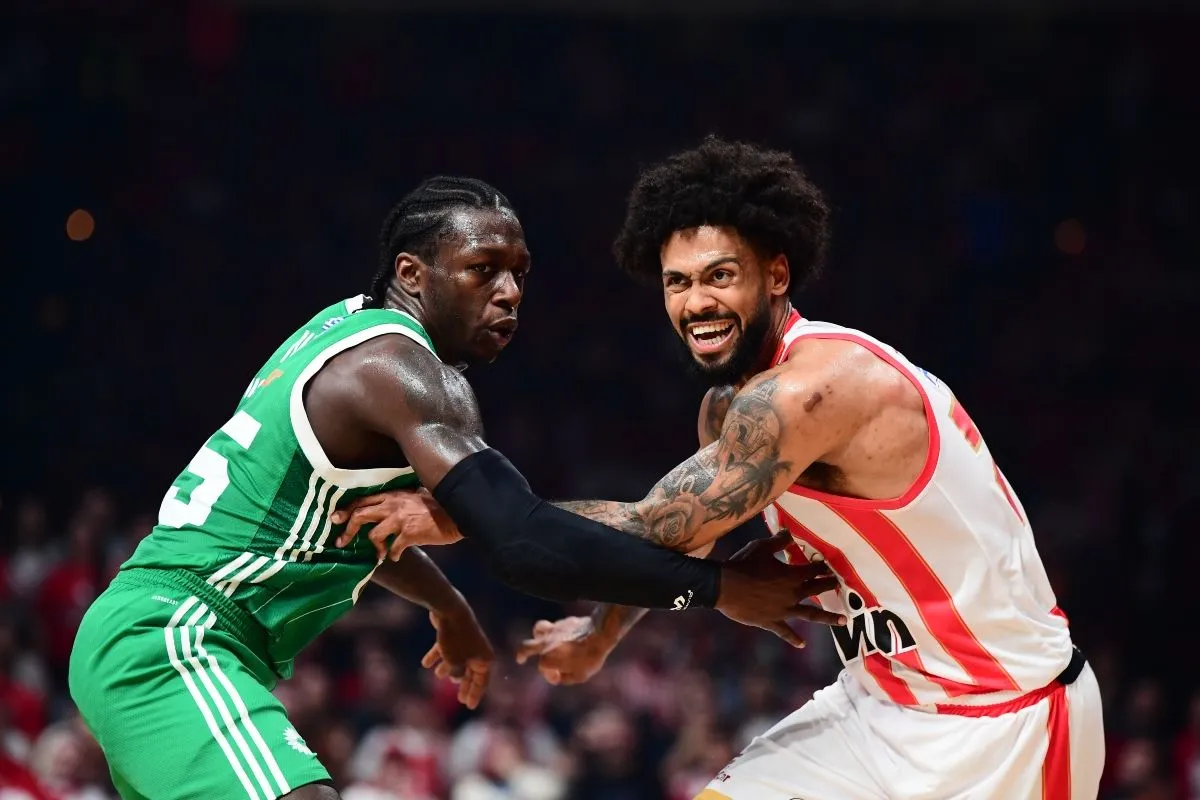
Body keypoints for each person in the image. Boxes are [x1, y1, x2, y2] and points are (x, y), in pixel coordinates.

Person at [338, 143, 1104, 799]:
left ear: (776, 274)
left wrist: (459, 512)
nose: (696, 302)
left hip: (1005, 720)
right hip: (877, 707)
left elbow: (646, 523)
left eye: (719, 276)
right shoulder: (730, 408)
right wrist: (602, 636)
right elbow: (677, 535)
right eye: (677, 283)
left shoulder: (815, 389)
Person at [67, 175, 838, 800]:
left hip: (159, 630)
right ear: (412, 273)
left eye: (519, 273)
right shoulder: (405, 372)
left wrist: (448, 606)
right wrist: (717, 590)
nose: (508, 292)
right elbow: (523, 541)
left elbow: (357, 525)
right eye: (482, 270)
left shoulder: (341, 329)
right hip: (178, 635)